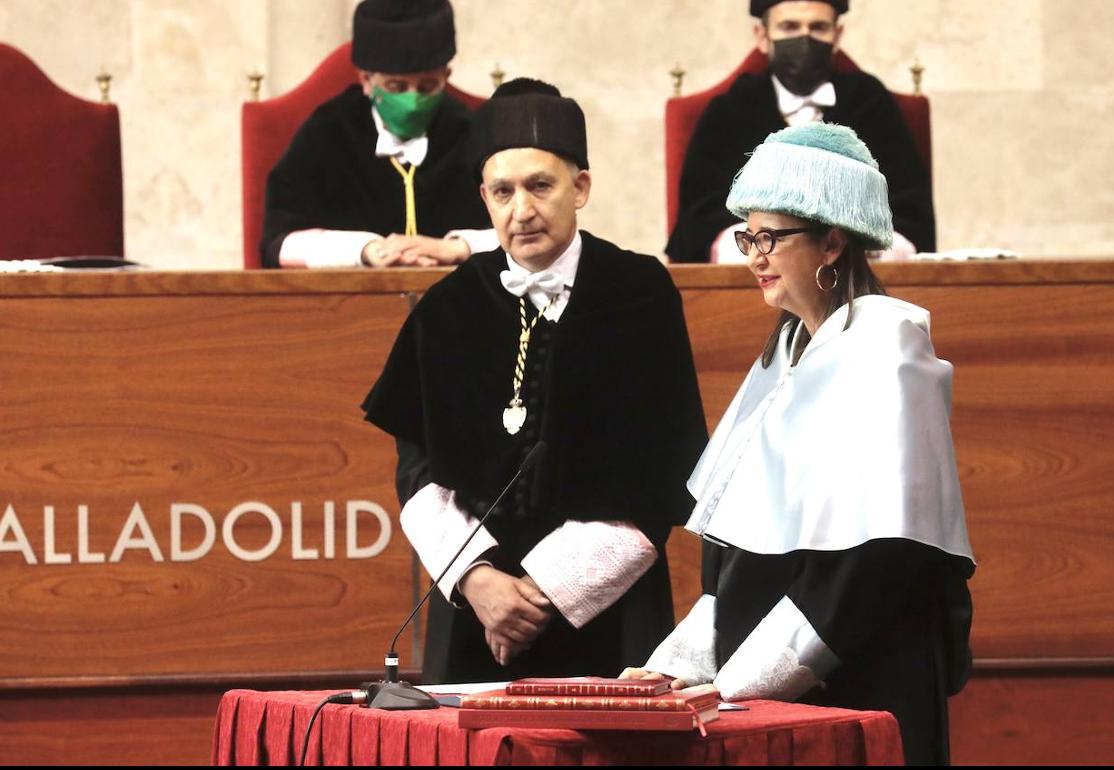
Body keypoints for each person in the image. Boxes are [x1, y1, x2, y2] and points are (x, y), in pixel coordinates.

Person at [624, 123, 974, 766]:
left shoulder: (888, 358)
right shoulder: (785, 353)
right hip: (772, 698)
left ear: (833, 240)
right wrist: (672, 668)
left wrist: (731, 687)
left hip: (858, 687)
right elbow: (739, 563)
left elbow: (867, 568)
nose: (754, 256)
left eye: (771, 238)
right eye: (747, 237)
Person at [361, 79, 708, 684]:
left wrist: (541, 593)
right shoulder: (448, 308)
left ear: (581, 188)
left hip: (607, 610)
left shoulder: (639, 293)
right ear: (485, 200)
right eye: (503, 191)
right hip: (476, 609)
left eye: (540, 186)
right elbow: (416, 469)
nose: (521, 210)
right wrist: (481, 581)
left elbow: (657, 473)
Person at [666, 0, 935, 264]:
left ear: (837, 35)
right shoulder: (730, 111)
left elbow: (909, 209)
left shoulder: (870, 103)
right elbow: (700, 217)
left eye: (818, 27)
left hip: (854, 270)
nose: (804, 39)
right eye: (789, 27)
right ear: (762, 35)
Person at [261, 0, 496, 269]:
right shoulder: (328, 132)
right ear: (366, 81)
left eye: (427, 86)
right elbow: (280, 242)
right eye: (396, 87)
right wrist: (364, 251)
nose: (412, 101)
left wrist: (458, 247)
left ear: (446, 76)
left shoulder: (473, 132)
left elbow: (530, 232)